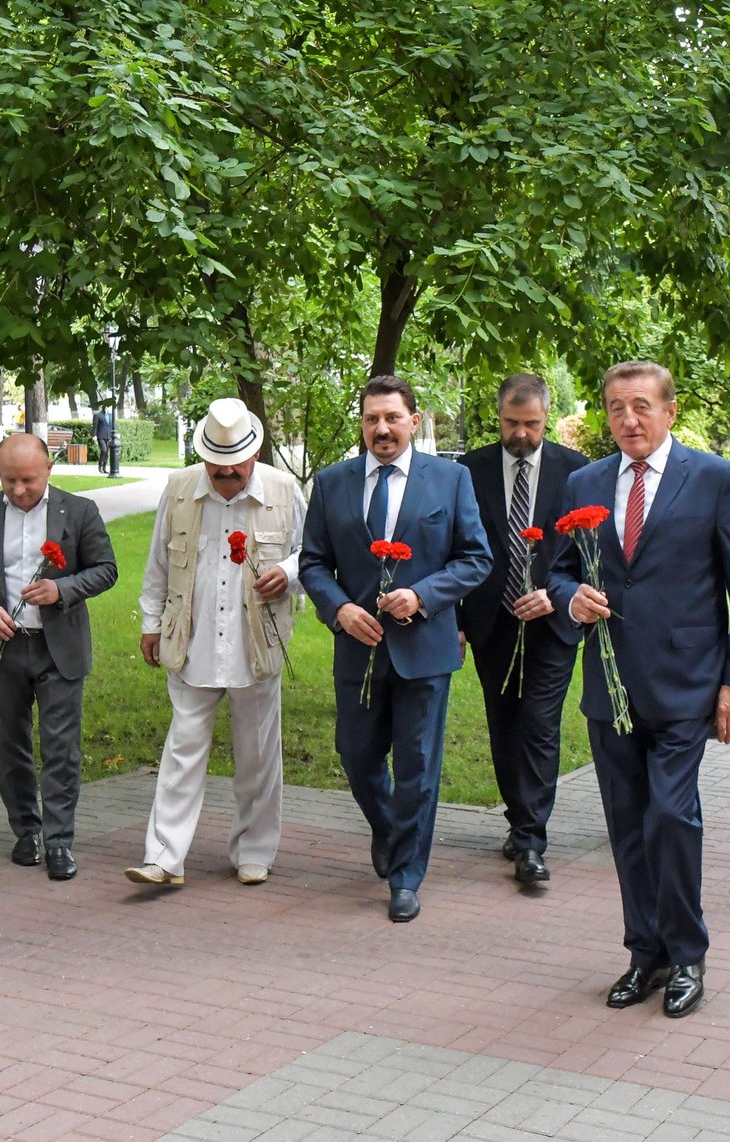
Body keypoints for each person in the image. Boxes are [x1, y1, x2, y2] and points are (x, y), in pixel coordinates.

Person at [550, 360, 730, 1019]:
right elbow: (559, 573)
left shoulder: (714, 478)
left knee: (671, 817)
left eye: (642, 406)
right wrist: (571, 599)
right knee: (627, 825)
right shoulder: (584, 482)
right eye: (616, 408)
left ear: (670, 412)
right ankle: (644, 953)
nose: (629, 419)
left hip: (686, 683)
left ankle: (688, 953)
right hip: (610, 689)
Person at [299, 376, 492, 923]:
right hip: (358, 647)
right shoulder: (333, 482)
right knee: (357, 758)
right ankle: (388, 828)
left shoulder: (450, 480)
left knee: (418, 768)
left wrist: (423, 594)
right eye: (370, 419)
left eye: (391, 417)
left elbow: (475, 558)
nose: (381, 429)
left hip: (424, 650)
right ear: (362, 425)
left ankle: (407, 876)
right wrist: (338, 608)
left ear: (413, 419)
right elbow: (312, 561)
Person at [131, 399, 306, 889]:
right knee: (182, 749)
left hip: (257, 644)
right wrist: (150, 622)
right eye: (217, 469)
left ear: (253, 455)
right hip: (192, 639)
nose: (226, 476)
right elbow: (158, 563)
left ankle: (254, 851)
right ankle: (164, 857)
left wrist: (286, 574)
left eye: (235, 469)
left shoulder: (283, 488)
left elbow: (309, 555)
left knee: (257, 754)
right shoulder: (180, 487)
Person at [0, 433, 118, 880]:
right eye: (9, 481)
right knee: (11, 746)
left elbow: (106, 569)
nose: (19, 490)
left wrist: (63, 589)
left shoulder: (79, 512)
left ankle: (60, 840)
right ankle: (26, 830)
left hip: (58, 648)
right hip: (3, 646)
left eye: (28, 481)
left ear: (48, 471)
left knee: (61, 748)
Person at [456, 374, 589, 886]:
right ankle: (519, 819)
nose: (521, 434)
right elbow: (458, 548)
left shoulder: (576, 471)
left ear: (545, 419)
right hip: (491, 619)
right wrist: (461, 621)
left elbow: (586, 553)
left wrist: (556, 593)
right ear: (498, 417)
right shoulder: (469, 471)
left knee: (539, 722)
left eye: (531, 424)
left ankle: (532, 840)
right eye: (512, 423)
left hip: (553, 621)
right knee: (504, 723)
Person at [90, 402, 117, 471]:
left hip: (109, 436)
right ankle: (100, 466)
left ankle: (104, 467)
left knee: (107, 452)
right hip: (101, 436)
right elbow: (94, 426)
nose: (106, 408)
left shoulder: (111, 415)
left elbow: (114, 425)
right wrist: (94, 435)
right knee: (104, 450)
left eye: (108, 407)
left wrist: (116, 433)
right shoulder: (98, 415)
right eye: (105, 407)